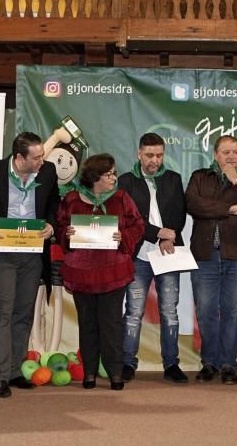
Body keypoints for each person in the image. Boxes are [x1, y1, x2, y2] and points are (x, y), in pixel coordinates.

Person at [0, 132, 61, 398]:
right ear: (19, 158)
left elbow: (54, 203)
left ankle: (14, 370)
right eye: (36, 158)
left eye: (42, 156)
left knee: (23, 313)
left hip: (33, 253)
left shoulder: (48, 173)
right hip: (2, 253)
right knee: (2, 311)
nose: (41, 162)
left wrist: (50, 224)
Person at [54, 154, 144, 390]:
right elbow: (60, 225)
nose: (114, 178)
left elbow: (138, 225)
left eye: (114, 173)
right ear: (95, 177)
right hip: (81, 272)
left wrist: (124, 237)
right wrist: (67, 233)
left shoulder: (122, 198)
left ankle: (115, 373)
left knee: (111, 323)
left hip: (113, 271)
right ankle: (90, 373)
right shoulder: (73, 199)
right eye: (109, 174)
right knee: (88, 324)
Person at [186, 135, 237, 385]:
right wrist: (229, 209)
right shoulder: (200, 176)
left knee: (232, 313)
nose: (231, 157)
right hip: (205, 255)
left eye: (235, 152)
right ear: (215, 155)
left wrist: (236, 181)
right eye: (225, 152)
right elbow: (192, 204)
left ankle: (228, 365)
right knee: (207, 312)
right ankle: (209, 363)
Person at [117, 133, 189, 384]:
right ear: (139, 154)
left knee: (169, 311)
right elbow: (128, 219)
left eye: (159, 155)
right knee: (133, 311)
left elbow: (179, 214)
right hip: (138, 254)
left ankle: (171, 364)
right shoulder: (125, 182)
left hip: (168, 252)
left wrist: (169, 236)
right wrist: (157, 233)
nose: (154, 161)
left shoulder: (173, 179)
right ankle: (127, 363)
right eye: (149, 155)